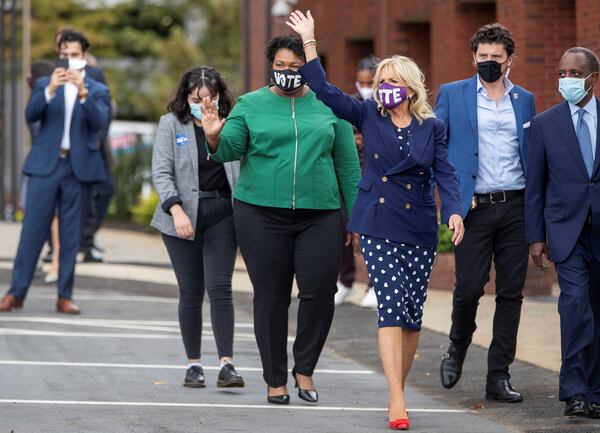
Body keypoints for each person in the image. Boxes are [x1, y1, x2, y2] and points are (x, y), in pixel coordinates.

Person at [286, 10, 464, 430]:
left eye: (393, 82)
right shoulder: (367, 114)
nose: (386, 89)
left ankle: (396, 390)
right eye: (381, 82)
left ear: (410, 88)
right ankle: (397, 399)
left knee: (412, 312)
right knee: (389, 307)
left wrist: (454, 209)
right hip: (379, 221)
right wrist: (310, 41)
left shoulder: (431, 127)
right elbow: (325, 90)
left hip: (419, 224)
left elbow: (446, 172)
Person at [201, 34, 360, 405]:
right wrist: (213, 136)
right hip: (259, 213)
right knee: (271, 298)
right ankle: (276, 379)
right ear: (270, 68)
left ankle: (304, 368)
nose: (289, 73)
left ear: (309, 67)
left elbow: (348, 167)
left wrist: (355, 218)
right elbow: (230, 149)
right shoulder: (250, 104)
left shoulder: (328, 105)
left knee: (321, 292)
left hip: (320, 213)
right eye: (281, 67)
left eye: (296, 66)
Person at [435, 23, 536, 403]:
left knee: (511, 293)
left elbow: (531, 156)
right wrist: (450, 206)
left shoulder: (524, 100)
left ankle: (499, 376)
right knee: (469, 288)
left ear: (509, 59)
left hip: (516, 207)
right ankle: (457, 347)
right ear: (473, 57)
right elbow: (438, 154)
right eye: (483, 57)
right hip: (472, 209)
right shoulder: (453, 94)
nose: (489, 63)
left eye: (496, 58)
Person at [0, 30, 110, 314]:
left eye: (74, 55)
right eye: (64, 55)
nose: (68, 60)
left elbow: (100, 122)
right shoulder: (44, 83)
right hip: (45, 166)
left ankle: (65, 295)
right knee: (32, 231)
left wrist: (84, 92)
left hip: (78, 168)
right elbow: (30, 115)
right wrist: (48, 89)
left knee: (71, 235)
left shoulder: (98, 89)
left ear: (84, 57)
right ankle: (16, 292)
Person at [151, 66, 245, 390]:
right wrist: (176, 209)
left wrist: (214, 130)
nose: (204, 104)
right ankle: (194, 364)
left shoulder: (232, 123)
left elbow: (243, 167)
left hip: (222, 212)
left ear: (220, 97)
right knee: (191, 291)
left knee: (220, 288)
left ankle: (227, 364)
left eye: (211, 97)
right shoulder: (170, 125)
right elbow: (161, 173)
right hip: (181, 215)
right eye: (197, 98)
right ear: (186, 97)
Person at [526, 47, 600, 419]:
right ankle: (574, 391)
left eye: (574, 73)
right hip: (566, 232)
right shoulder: (544, 124)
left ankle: (596, 391)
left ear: (593, 78)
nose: (566, 80)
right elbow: (535, 185)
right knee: (575, 307)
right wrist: (535, 237)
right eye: (562, 73)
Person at [336, 56, 378, 308]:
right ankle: (346, 281)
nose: (365, 88)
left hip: (375, 177)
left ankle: (374, 284)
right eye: (361, 82)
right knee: (344, 230)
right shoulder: (350, 104)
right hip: (352, 175)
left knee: (373, 232)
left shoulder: (386, 107)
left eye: (370, 82)